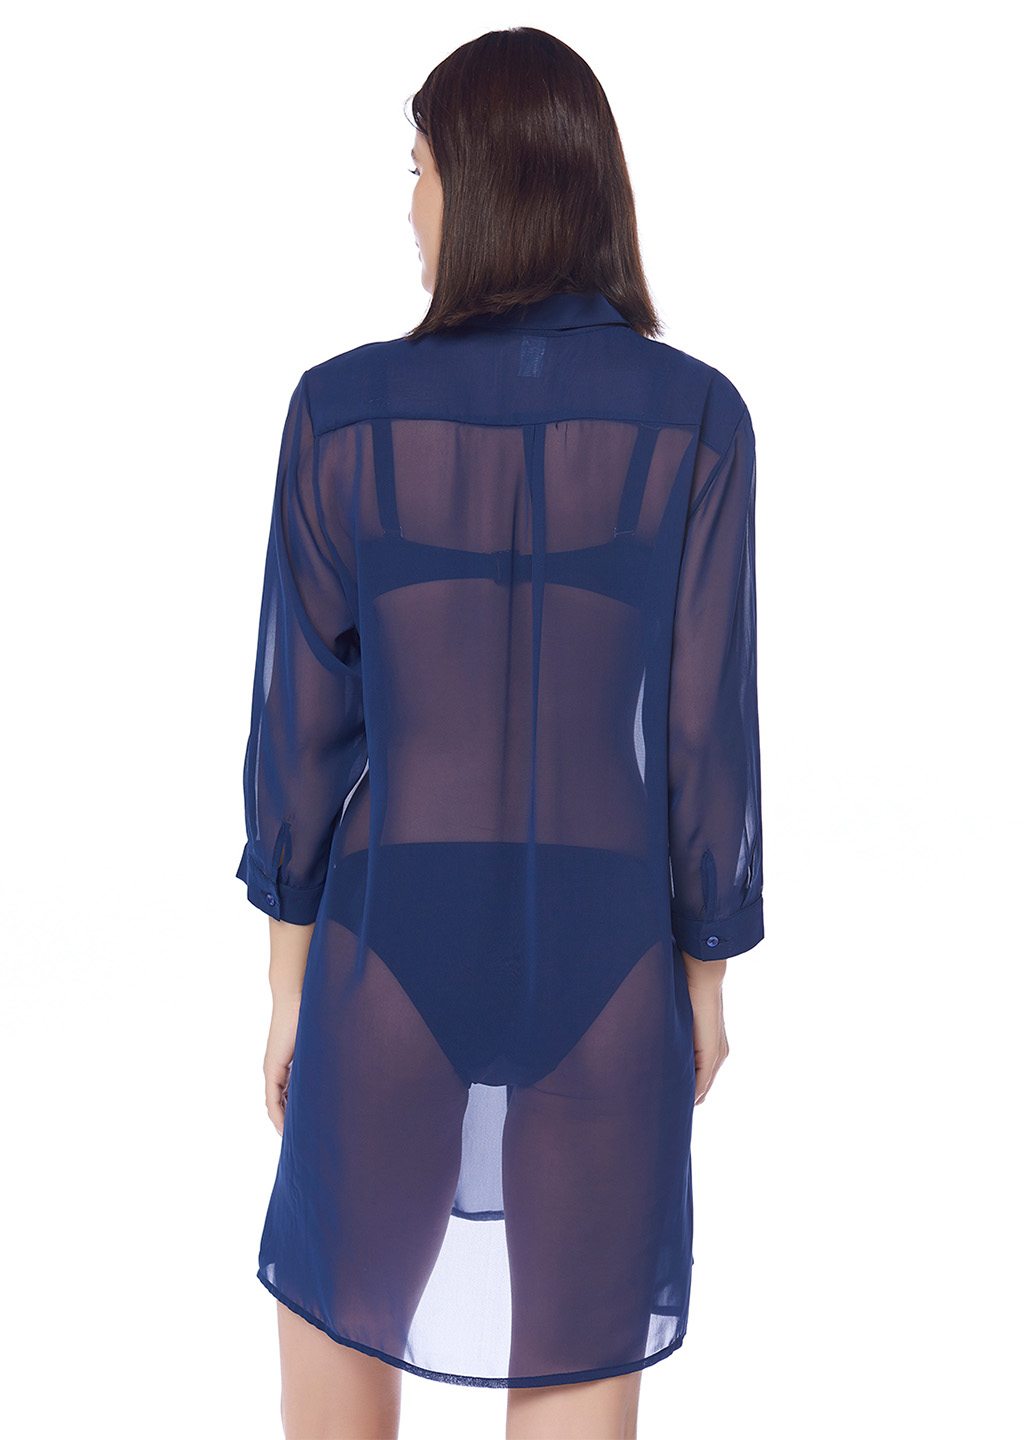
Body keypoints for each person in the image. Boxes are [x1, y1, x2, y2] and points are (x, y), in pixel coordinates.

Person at [236, 26, 764, 1440]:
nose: (405, 206)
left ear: (478, 185)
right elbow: (708, 736)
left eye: (415, 170)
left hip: (386, 941)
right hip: (608, 954)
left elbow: (301, 724)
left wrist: (285, 985)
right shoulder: (696, 420)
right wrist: (705, 979)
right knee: (579, 1379)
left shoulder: (343, 412)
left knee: (336, 1350)